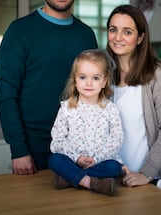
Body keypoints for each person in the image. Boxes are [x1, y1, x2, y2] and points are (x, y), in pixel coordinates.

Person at [0, 0, 98, 175]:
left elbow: (94, 94)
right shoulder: (20, 31)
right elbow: (6, 94)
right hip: (34, 151)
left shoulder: (86, 35)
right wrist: (19, 150)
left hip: (80, 150)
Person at [106, 4, 161, 187]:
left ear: (140, 38)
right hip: (114, 176)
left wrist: (146, 174)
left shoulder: (159, 74)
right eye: (113, 29)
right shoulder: (102, 74)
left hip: (151, 176)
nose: (118, 38)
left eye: (127, 32)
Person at [48, 49, 123, 196]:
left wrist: (96, 159)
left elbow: (116, 139)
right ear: (75, 80)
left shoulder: (111, 109)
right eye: (83, 77)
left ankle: (70, 178)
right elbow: (57, 140)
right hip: (73, 160)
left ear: (104, 82)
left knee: (115, 167)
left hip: (99, 162)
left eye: (95, 78)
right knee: (54, 160)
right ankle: (91, 182)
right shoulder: (66, 107)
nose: (89, 83)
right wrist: (76, 158)